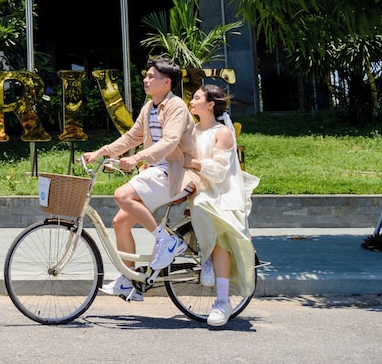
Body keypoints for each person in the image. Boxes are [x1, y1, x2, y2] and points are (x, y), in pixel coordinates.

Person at [82, 57, 198, 301]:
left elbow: (170, 141)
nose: (145, 79)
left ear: (167, 82)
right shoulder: (149, 108)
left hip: (176, 173)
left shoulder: (176, 106)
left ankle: (167, 241)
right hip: (156, 172)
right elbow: (131, 137)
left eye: (151, 76)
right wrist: (101, 152)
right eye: (146, 75)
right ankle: (128, 282)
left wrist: (137, 158)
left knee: (122, 195)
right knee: (120, 223)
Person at [185, 84, 259, 327]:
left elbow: (218, 173)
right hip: (197, 188)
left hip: (222, 193)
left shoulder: (222, 133)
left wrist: (192, 162)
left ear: (210, 105)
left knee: (215, 225)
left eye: (196, 97)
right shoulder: (190, 131)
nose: (191, 101)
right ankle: (206, 254)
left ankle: (223, 300)